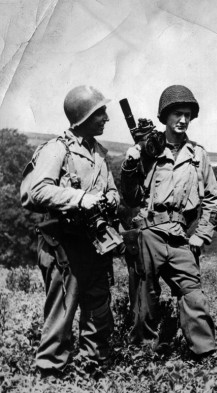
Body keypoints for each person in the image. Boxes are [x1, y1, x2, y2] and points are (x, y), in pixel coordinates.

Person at [25, 86, 120, 376]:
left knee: (98, 308)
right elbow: (36, 192)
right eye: (101, 112)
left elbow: (111, 189)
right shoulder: (57, 149)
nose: (106, 117)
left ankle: (93, 367)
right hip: (65, 246)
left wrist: (111, 199)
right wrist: (79, 198)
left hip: (95, 244)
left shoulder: (98, 153)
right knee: (62, 312)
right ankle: (51, 372)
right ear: (84, 116)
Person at [120, 85, 217, 357]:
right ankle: (142, 354)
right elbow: (130, 198)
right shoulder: (149, 151)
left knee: (192, 292)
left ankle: (205, 354)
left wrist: (200, 236)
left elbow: (213, 198)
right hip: (149, 231)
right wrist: (130, 165)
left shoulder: (198, 155)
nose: (183, 120)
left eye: (187, 114)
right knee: (145, 294)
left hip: (179, 235)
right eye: (177, 113)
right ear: (164, 116)